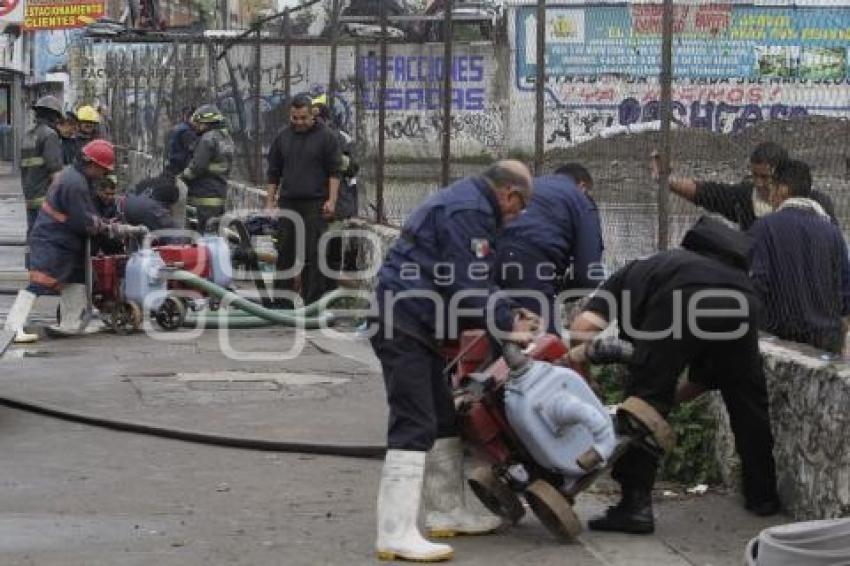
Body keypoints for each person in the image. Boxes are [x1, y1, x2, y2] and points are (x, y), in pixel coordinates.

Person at [370, 160, 541, 562]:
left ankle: (447, 511)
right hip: (404, 322)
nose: (517, 216)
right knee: (413, 422)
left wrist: (511, 311)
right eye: (520, 206)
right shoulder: (469, 212)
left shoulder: (468, 205)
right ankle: (394, 533)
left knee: (443, 418)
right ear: (509, 194)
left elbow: (474, 279)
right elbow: (468, 284)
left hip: (415, 323)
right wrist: (507, 325)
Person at [569, 216, 780, 536]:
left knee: (643, 398)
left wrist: (587, 380)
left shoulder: (643, 267)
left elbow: (584, 329)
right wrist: (662, 402)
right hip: (744, 302)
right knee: (747, 398)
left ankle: (635, 508)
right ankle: (763, 497)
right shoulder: (737, 278)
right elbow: (709, 378)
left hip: (681, 297)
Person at [3, 140, 146, 342]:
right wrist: (112, 228)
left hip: (62, 240)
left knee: (76, 279)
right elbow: (84, 222)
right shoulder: (75, 183)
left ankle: (71, 323)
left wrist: (105, 224)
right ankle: (13, 326)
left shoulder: (75, 176)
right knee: (40, 283)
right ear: (93, 164)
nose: (103, 175)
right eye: (103, 170)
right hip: (52, 240)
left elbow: (86, 216)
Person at [749, 159, 850, 354]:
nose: (769, 196)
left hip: (781, 341)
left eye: (772, 188)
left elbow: (754, 286)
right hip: (828, 343)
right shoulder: (833, 233)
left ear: (783, 189)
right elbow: (847, 295)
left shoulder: (765, 228)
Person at [494, 164, 604, 334]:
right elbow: (589, 274)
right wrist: (560, 291)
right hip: (529, 262)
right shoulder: (580, 199)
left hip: (489, 253)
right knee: (542, 343)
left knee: (499, 330)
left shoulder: (531, 185)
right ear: (582, 186)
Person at [265, 94, 342, 306]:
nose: (298, 122)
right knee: (285, 254)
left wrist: (332, 201)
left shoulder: (326, 137)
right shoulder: (282, 137)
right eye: (294, 118)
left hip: (315, 205)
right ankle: (281, 303)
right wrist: (270, 202)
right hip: (288, 203)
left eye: (303, 118)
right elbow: (273, 172)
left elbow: (334, 172)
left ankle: (312, 303)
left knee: (314, 255)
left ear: (312, 114)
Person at [659, 141, 837, 230]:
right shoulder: (744, 198)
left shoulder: (816, 205)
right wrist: (665, 180)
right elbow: (705, 193)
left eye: (765, 177)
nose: (758, 183)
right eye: (755, 175)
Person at [312, 94, 361, 289]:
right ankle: (322, 290)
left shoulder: (340, 139)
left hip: (336, 202)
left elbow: (352, 168)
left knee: (330, 247)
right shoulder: (310, 137)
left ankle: (327, 291)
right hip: (324, 201)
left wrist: (332, 160)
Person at [179, 104, 234, 234]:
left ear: (208, 123)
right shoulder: (226, 138)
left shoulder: (207, 139)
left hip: (204, 196)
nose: (196, 126)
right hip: (219, 194)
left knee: (202, 235)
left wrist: (180, 178)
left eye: (199, 123)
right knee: (215, 233)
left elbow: (197, 167)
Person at [20, 96, 64, 237]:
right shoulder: (50, 135)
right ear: (53, 116)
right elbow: (55, 172)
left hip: (30, 198)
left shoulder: (28, 135)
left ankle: (30, 259)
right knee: (46, 239)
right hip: (46, 200)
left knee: (33, 235)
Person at [165, 106, 198, 175]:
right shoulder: (187, 131)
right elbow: (193, 150)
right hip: (181, 166)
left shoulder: (180, 127)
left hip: (174, 162)